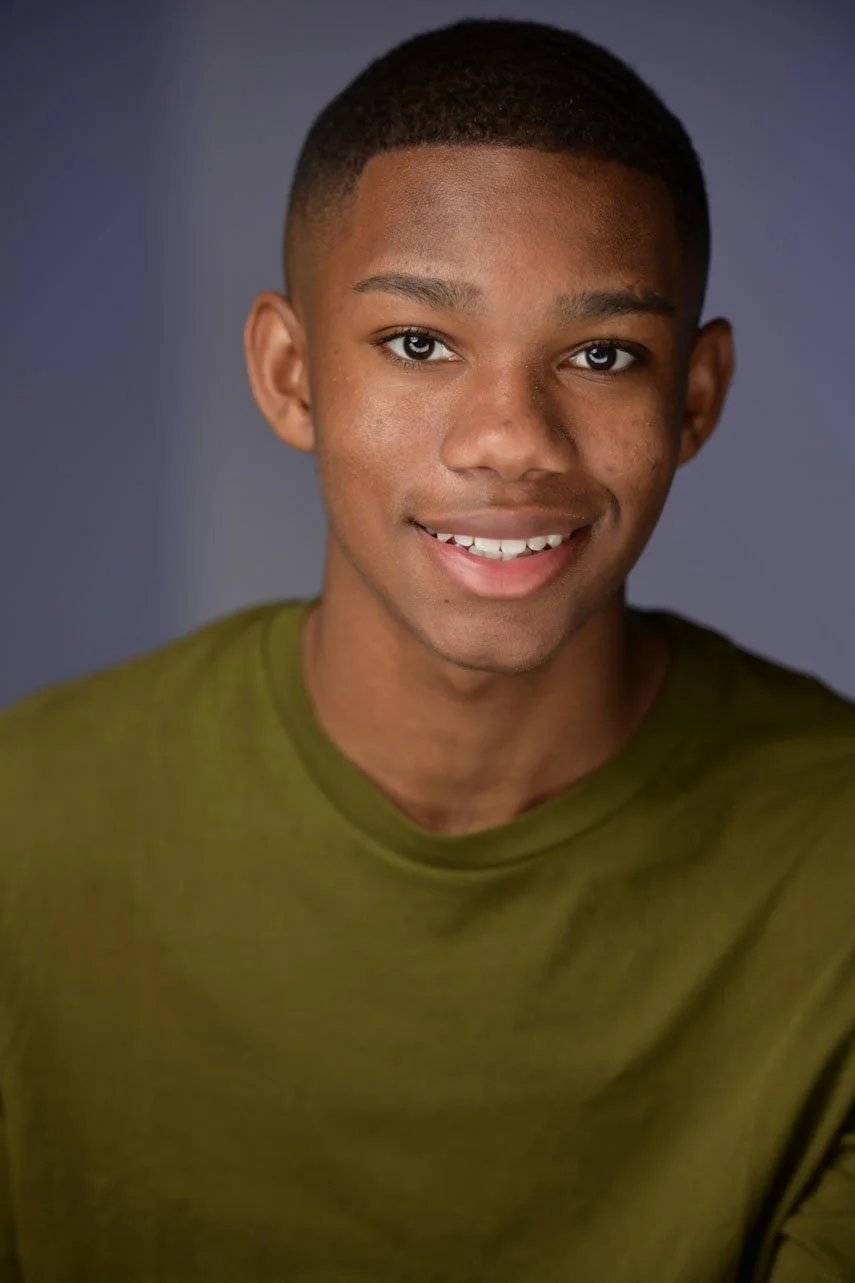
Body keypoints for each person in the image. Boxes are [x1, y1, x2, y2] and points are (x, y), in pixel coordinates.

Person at [1, 16, 853, 1282]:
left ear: (694, 398)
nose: (511, 438)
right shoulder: (27, 824)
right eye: (418, 343)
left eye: (602, 354)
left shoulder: (833, 872)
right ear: (291, 376)